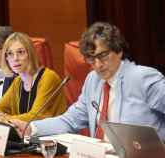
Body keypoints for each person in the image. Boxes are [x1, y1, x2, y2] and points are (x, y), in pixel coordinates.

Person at [12, 22, 165, 140]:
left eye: (103, 55)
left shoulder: (144, 78)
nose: (97, 65)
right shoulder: (93, 80)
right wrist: (31, 128)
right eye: (91, 59)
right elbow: (71, 120)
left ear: (118, 50)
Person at [0, 32, 67, 121]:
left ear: (30, 54)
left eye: (20, 52)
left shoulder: (48, 78)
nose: (15, 58)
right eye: (10, 54)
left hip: (55, 133)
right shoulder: (18, 82)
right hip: (29, 134)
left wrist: (5, 119)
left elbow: (36, 117)